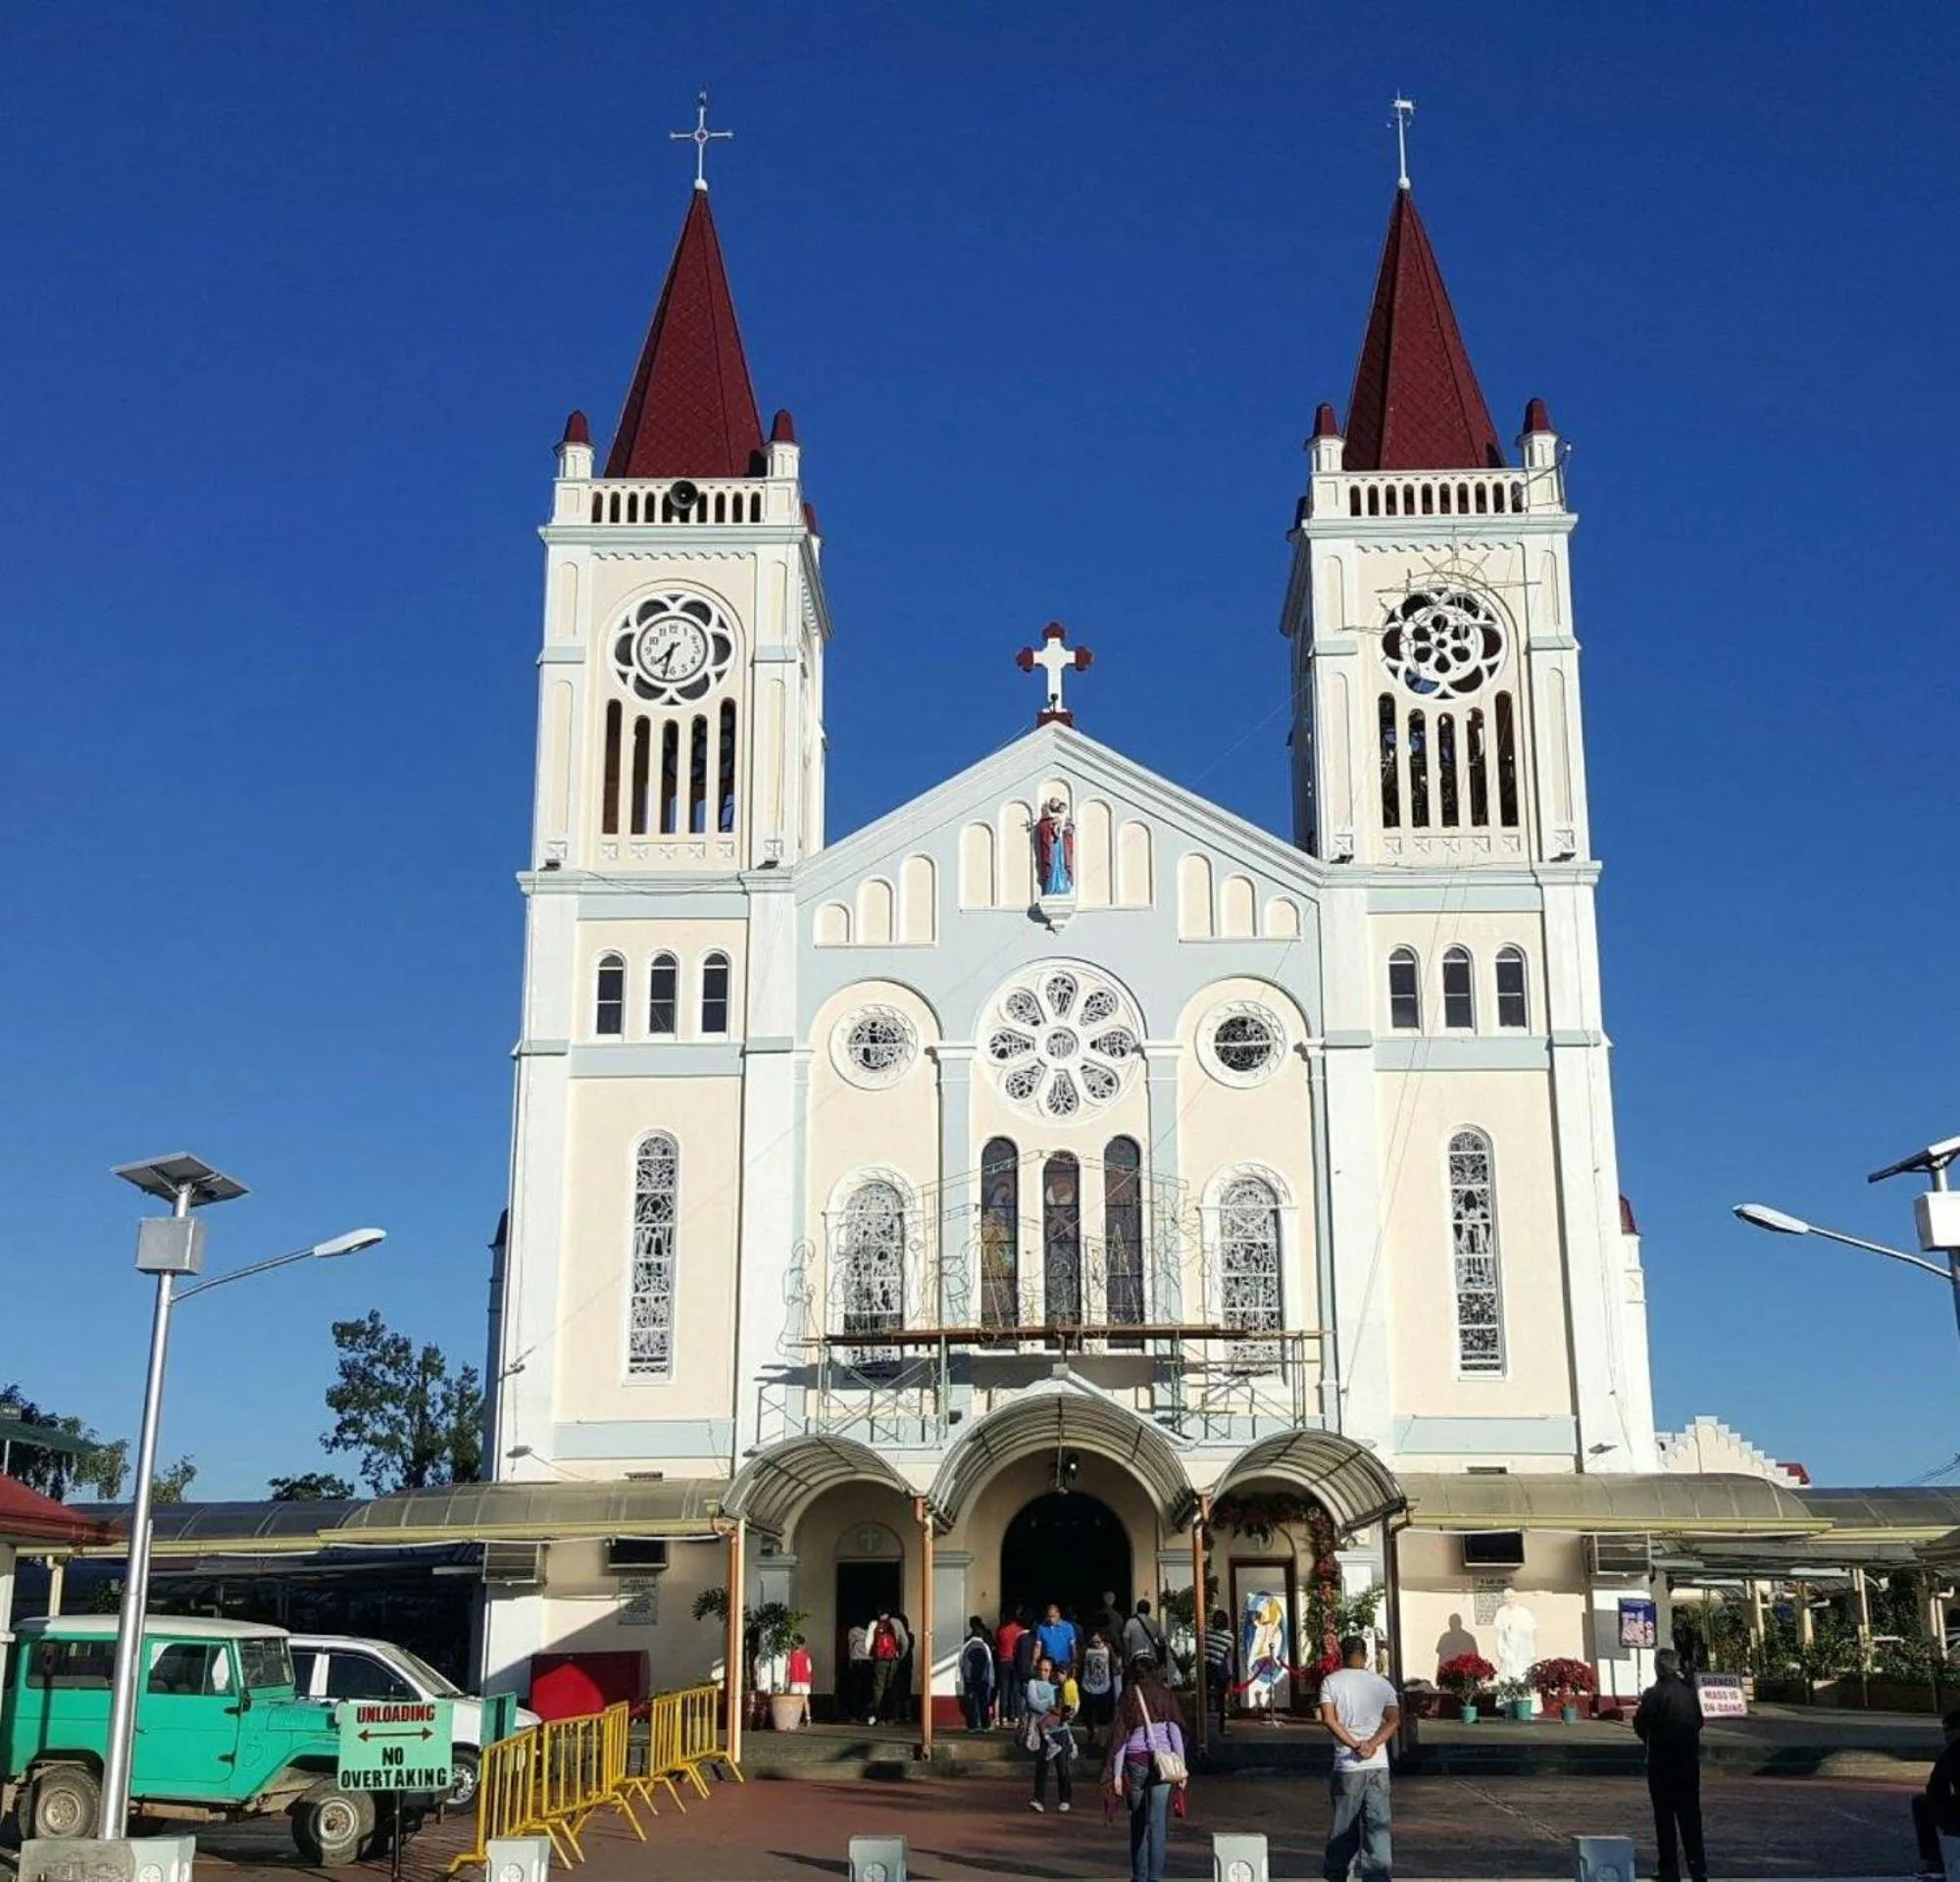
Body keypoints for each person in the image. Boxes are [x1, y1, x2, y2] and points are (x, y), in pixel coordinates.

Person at [1318, 1634, 1399, 1882]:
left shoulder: (1331, 1682)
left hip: (1348, 1764)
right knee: (1378, 1827)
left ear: (1341, 1655)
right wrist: (1372, 1744)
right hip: (1378, 1765)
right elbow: (1394, 1720)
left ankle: (1338, 1875)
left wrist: (1354, 1744)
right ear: (1365, 1656)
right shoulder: (1381, 1684)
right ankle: (1378, 1876)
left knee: (1344, 1828)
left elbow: (1329, 1720)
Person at [1106, 1653, 1186, 1882]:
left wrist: (1117, 1774)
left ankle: (1139, 1876)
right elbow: (1174, 1731)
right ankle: (1156, 1877)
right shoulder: (1165, 1694)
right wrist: (1181, 1767)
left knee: (1138, 1821)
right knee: (1158, 1822)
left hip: (1135, 1760)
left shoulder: (1129, 1695)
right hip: (1164, 1762)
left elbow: (1121, 1736)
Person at [1633, 1649, 1707, 1882]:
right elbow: (1699, 1721)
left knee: (1664, 1817)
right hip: (1688, 1761)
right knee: (1690, 1816)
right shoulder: (1689, 1693)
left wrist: (1653, 1739)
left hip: (1662, 1762)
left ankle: (1669, 1868)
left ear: (1658, 1667)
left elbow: (1641, 1724)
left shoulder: (1655, 1694)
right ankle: (1698, 1867)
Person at [1913, 1709, 1960, 1875]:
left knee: (1921, 1803)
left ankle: (1935, 1862)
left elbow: (1937, 1787)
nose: (1946, 1737)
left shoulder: (1953, 1752)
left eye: (1948, 1731)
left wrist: (1944, 1818)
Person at [1027, 1653, 1073, 1812]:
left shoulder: (1058, 1687)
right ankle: (1038, 1799)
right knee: (1042, 1767)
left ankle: (1065, 1798)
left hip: (1060, 1730)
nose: (1043, 1673)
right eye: (1041, 1669)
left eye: (1046, 1670)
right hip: (1043, 1732)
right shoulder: (1032, 1683)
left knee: (1062, 1766)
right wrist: (1050, 1707)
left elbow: (1065, 1709)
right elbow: (1034, 1702)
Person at [868, 1609, 906, 1725]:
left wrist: (871, 1656)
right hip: (893, 1659)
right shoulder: (897, 1623)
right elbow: (905, 1642)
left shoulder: (874, 1624)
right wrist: (900, 1656)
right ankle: (891, 1717)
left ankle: (879, 1718)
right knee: (892, 1686)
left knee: (879, 1688)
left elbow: (868, 1643)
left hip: (879, 1660)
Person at [959, 1616, 996, 1734]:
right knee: (983, 1701)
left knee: (971, 1701)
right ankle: (985, 1724)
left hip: (969, 1678)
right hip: (983, 1678)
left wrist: (962, 1677)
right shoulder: (985, 1645)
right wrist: (991, 1680)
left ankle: (972, 1725)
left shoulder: (966, 1644)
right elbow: (990, 1663)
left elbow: (960, 1662)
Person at [1081, 1628, 1117, 1748]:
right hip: (1088, 1685)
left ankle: (1102, 1740)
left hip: (1104, 1686)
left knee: (1104, 1716)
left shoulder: (1108, 1648)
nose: (1096, 1644)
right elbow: (1079, 1662)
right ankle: (1091, 1734)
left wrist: (1117, 1669)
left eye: (1098, 1642)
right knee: (1088, 1715)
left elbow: (1114, 1662)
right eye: (1093, 1642)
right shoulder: (1086, 1649)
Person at [1203, 1609, 1236, 1739]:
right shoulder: (1229, 1637)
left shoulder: (1207, 1632)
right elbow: (1228, 1656)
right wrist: (1230, 1676)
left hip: (1206, 1667)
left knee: (1205, 1697)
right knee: (1221, 1699)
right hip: (1220, 1668)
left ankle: (1204, 1726)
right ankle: (1221, 1728)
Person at [997, 1610, 1029, 1727]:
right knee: (1016, 1689)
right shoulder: (1020, 1630)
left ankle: (1003, 1717)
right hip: (1015, 1661)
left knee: (1004, 1689)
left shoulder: (1001, 1629)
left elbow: (998, 1643)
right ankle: (1016, 1716)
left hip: (1003, 1660)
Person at [1123, 1599, 1166, 1667]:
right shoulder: (1154, 1623)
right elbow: (1162, 1639)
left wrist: (1126, 1659)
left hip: (1135, 1656)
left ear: (1137, 1609)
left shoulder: (1130, 1622)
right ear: (1149, 1610)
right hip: (1151, 1656)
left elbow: (1126, 1642)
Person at [1037, 1601, 1080, 1670]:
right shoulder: (1042, 1628)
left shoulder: (1068, 1627)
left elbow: (1073, 1646)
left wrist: (1074, 1661)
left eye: (1053, 1616)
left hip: (1064, 1665)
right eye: (1049, 1616)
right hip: (1048, 1665)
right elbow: (1038, 1647)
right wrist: (1035, 1661)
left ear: (1058, 1614)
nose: (1051, 1619)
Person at [785, 1634, 813, 1728]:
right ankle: (808, 1718)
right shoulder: (806, 1656)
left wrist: (786, 1682)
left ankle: (793, 1719)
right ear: (802, 1645)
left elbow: (788, 1669)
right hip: (805, 1680)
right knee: (805, 1700)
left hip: (795, 1680)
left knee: (793, 1701)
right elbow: (809, 1669)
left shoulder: (791, 1656)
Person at [846, 1619, 872, 1720]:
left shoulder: (853, 1631)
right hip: (868, 1661)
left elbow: (850, 1646)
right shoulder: (871, 1631)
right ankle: (865, 1713)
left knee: (855, 1689)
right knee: (867, 1689)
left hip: (856, 1660)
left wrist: (850, 1660)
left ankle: (854, 1714)